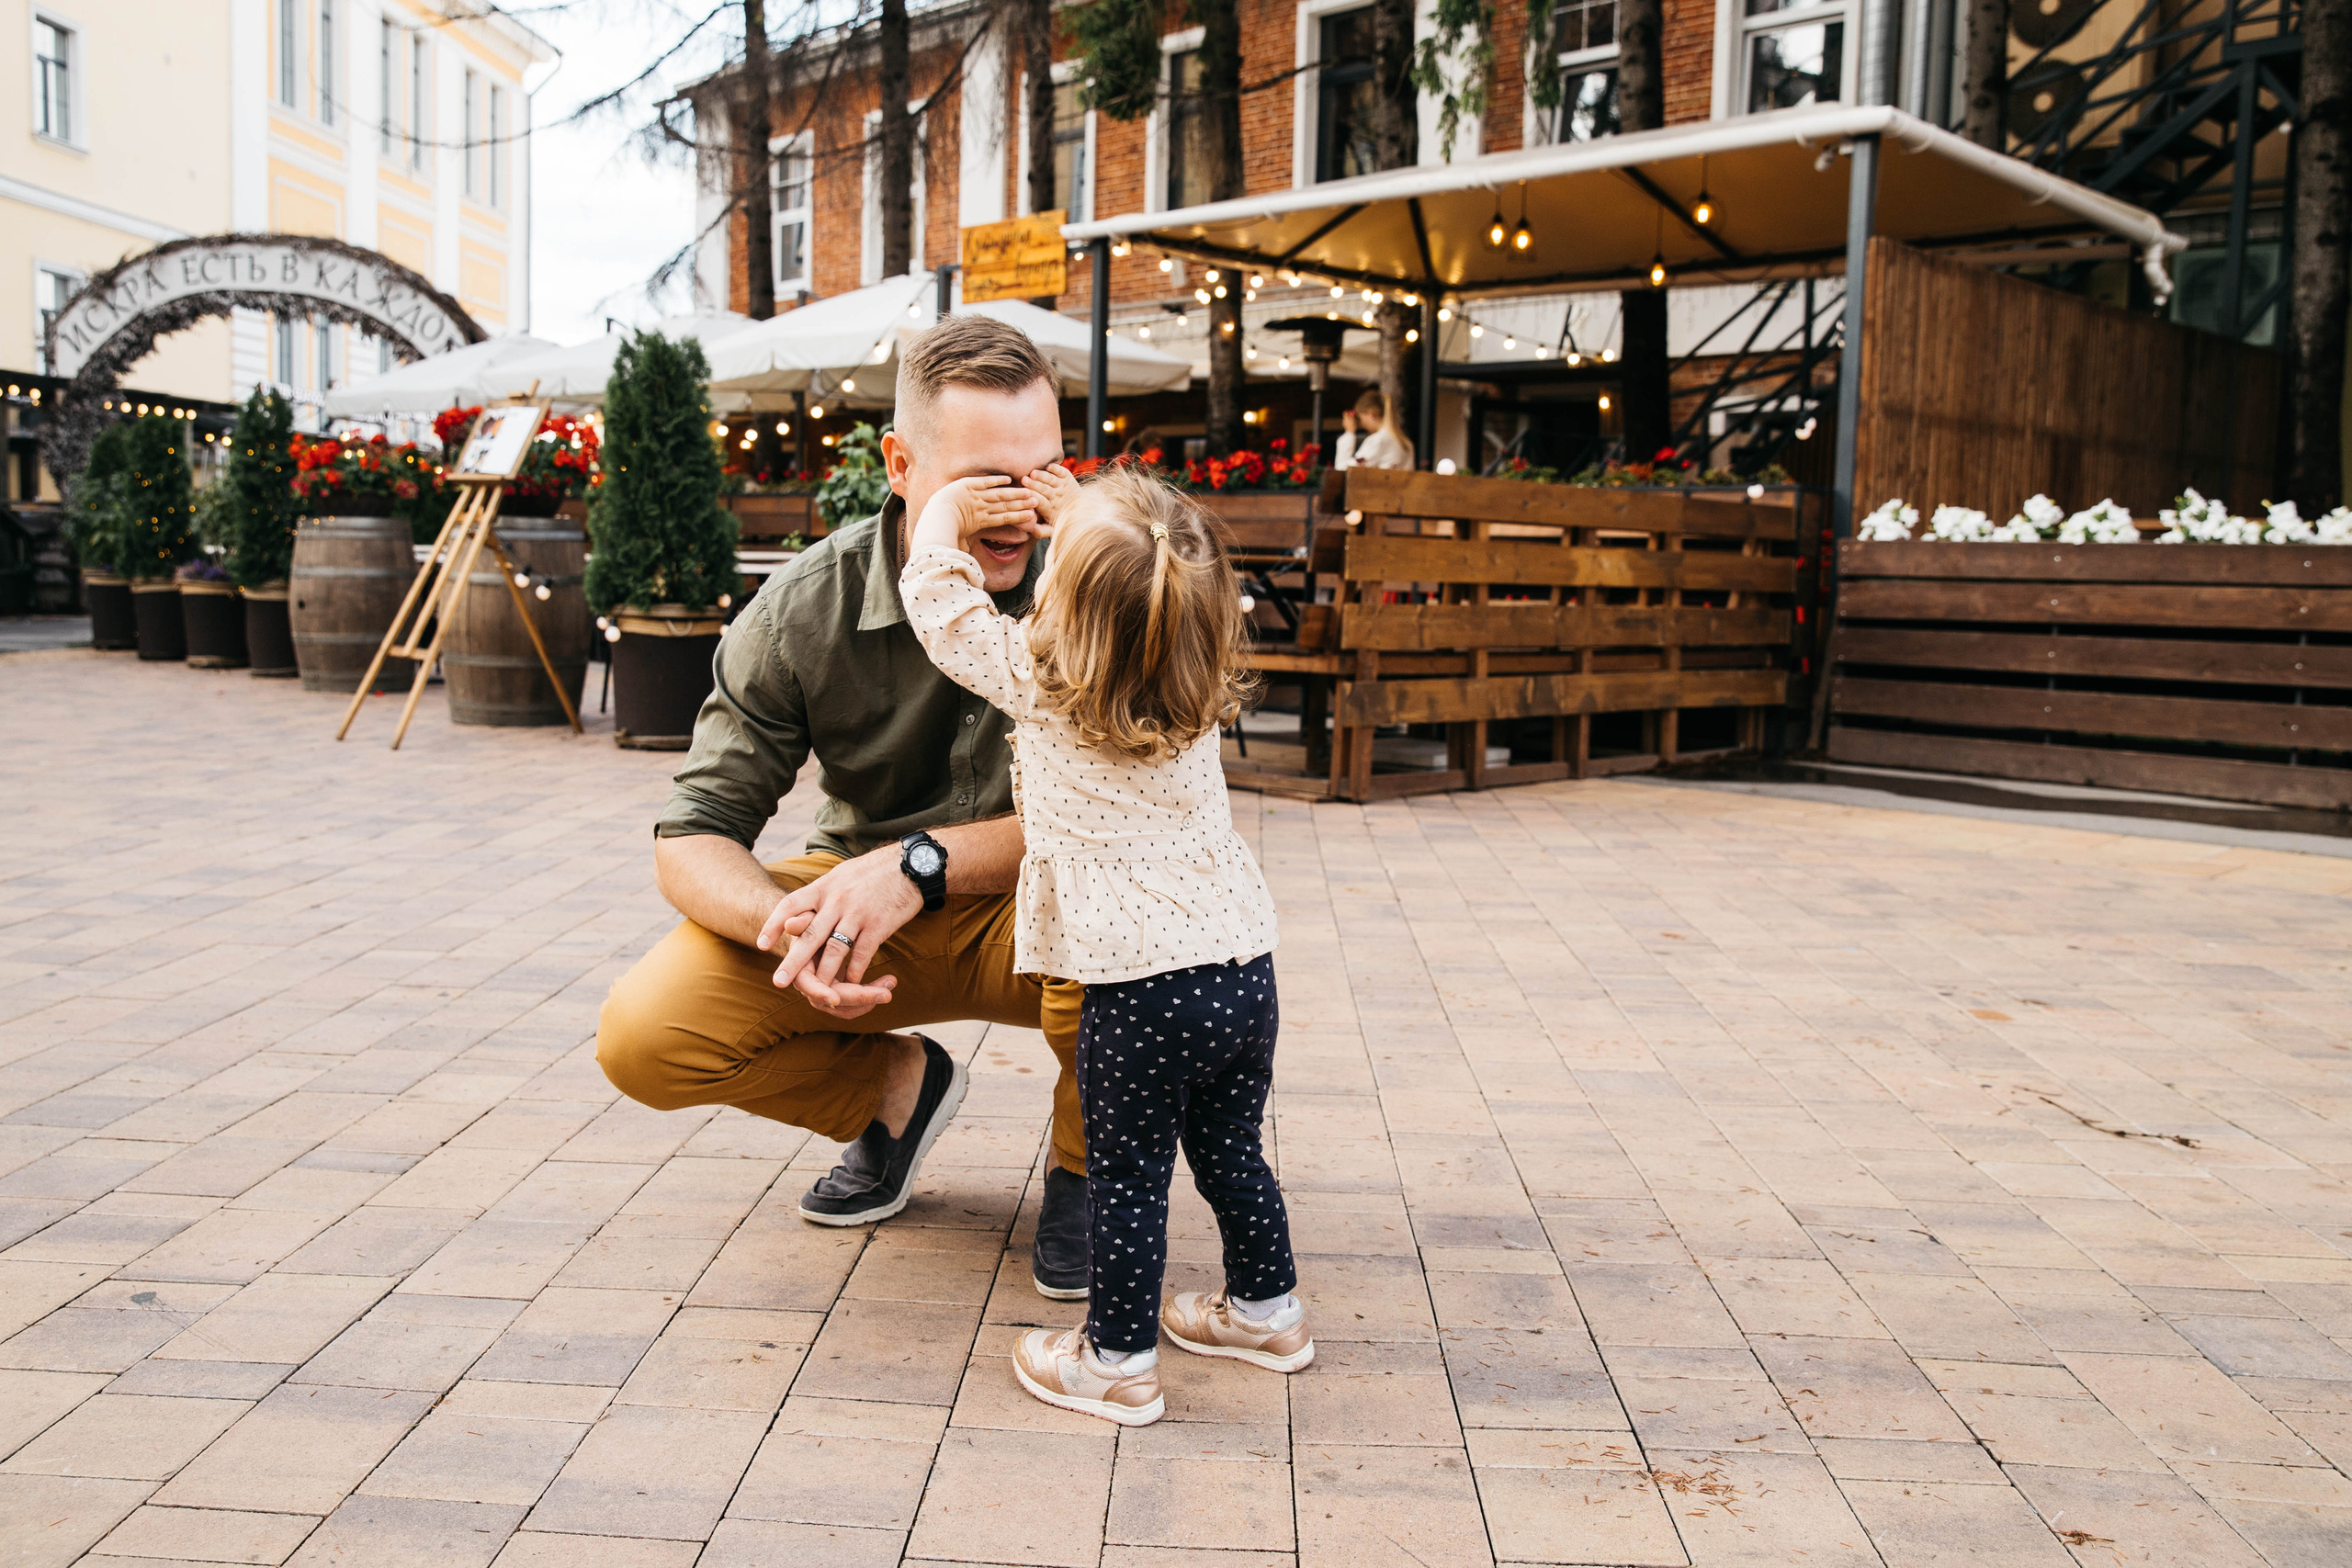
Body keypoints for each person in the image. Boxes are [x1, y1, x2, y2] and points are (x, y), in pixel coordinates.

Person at [594, 316, 1091, 1301]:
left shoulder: (1100, 584)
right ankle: (895, 1094)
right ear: (899, 465)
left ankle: (1091, 1171)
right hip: (863, 911)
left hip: (1047, 908)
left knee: (1151, 936)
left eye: (1040, 475)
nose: (1015, 510)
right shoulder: (800, 608)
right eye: (982, 479)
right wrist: (784, 924)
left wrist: (920, 868)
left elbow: (1131, 815)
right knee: (646, 1036)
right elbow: (694, 834)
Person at [899, 461, 1308, 1428]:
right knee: (1231, 1150)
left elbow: (939, 605)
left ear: (1061, 606)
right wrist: (1091, 518)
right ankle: (1266, 1311)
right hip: (1242, 969)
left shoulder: (1040, 680)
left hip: (1138, 989)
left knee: (1127, 1177)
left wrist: (946, 515)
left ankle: (1116, 1362)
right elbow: (1150, 580)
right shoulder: (1197, 680)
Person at [1333, 389, 1413, 470]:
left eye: (1361, 419)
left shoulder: (1378, 441)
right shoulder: (1407, 444)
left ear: (1371, 414)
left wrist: (1349, 433)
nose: (1362, 424)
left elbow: (1342, 469)